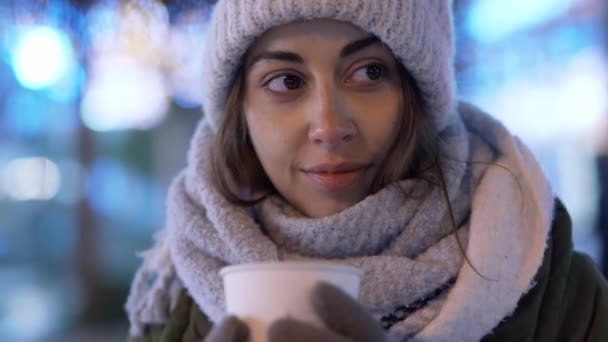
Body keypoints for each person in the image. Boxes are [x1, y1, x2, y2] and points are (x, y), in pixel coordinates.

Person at [125, 1, 608, 341]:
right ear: (240, 112)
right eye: (286, 81)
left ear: (420, 95)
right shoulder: (178, 287)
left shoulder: (559, 292)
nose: (330, 127)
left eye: (370, 72)